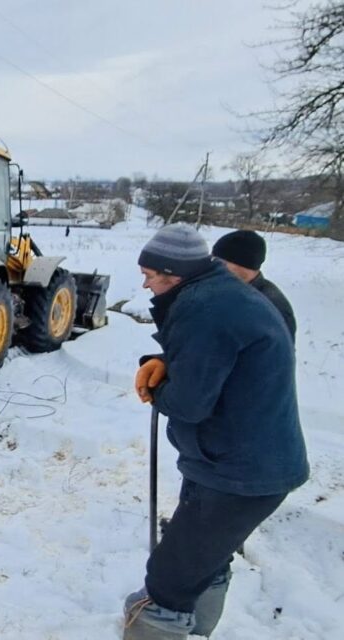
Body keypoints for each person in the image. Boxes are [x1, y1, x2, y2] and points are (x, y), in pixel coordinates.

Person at [126, 224, 308, 640]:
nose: (145, 284)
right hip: (236, 461)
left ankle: (163, 625)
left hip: (240, 471)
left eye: (149, 275)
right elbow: (218, 357)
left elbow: (189, 404)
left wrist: (160, 391)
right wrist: (167, 361)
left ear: (173, 274)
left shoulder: (204, 308)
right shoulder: (219, 293)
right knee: (204, 556)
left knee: (169, 578)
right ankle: (196, 630)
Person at [211, 229, 296, 342]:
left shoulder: (271, 308)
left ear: (242, 264)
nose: (213, 266)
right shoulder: (219, 288)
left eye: (219, 261)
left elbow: (279, 351)